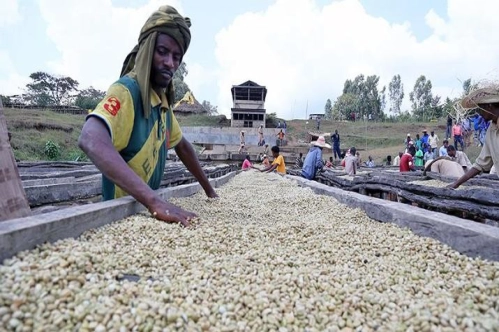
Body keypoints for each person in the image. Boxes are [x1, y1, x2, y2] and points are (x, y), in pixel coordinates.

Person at [78, 6, 217, 227]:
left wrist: (210, 191)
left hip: (147, 211)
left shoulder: (161, 103)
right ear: (146, 50)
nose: (170, 63)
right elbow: (90, 138)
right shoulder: (127, 92)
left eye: (176, 57)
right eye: (162, 52)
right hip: (121, 215)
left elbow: (183, 147)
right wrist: (154, 201)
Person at [450, 87, 499, 188]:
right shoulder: (491, 130)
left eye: (480, 109)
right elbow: (480, 164)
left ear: (489, 106)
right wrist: (457, 183)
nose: (479, 113)